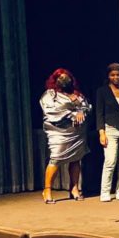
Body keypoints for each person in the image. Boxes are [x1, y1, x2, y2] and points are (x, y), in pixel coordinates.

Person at [40, 68, 91, 204]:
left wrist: (81, 111)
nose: (64, 80)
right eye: (61, 78)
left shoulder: (77, 94)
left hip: (77, 132)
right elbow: (51, 110)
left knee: (76, 159)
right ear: (55, 80)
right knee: (56, 158)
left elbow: (86, 106)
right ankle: (47, 190)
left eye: (66, 77)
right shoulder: (50, 94)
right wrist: (72, 114)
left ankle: (74, 188)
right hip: (59, 131)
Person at [95, 63, 119, 203]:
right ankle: (105, 192)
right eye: (113, 75)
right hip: (110, 129)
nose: (116, 77)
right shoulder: (102, 91)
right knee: (110, 161)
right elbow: (99, 113)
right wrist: (101, 132)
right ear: (108, 76)